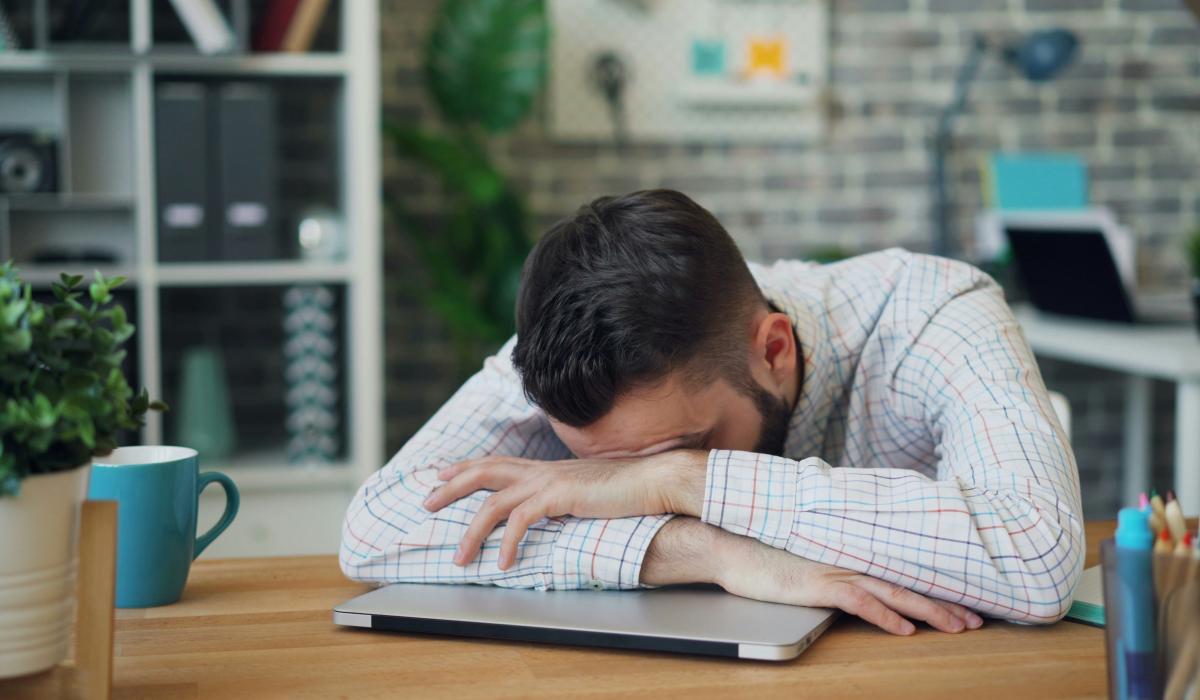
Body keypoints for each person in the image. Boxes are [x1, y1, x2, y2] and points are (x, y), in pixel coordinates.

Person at [341, 189, 1083, 636]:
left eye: (674, 447)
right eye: (602, 465)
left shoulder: (935, 312)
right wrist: (705, 551)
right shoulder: (563, 352)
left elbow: (1038, 555)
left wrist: (683, 482)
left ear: (774, 349)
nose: (618, 485)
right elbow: (375, 529)